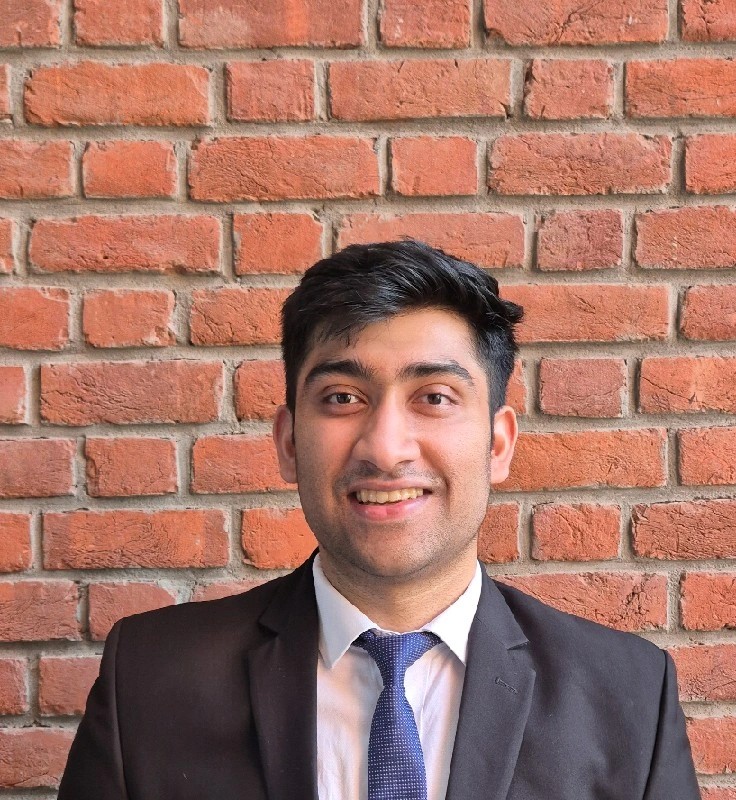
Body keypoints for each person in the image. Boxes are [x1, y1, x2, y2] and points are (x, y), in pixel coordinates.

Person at [58, 240, 701, 800]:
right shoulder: (151, 680)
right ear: (288, 441)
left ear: (498, 443)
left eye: (435, 398)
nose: (386, 449)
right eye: (342, 397)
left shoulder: (627, 697)